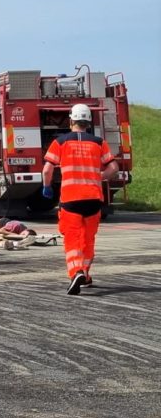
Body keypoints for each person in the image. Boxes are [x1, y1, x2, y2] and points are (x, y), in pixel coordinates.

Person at [42, 103, 119, 295]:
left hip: (71, 200)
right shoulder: (99, 142)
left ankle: (76, 271)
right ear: (88, 122)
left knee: (72, 239)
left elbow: (47, 169)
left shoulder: (60, 142)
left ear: (71, 120)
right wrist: (98, 177)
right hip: (93, 199)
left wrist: (46, 186)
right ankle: (85, 274)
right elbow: (114, 168)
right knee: (88, 239)